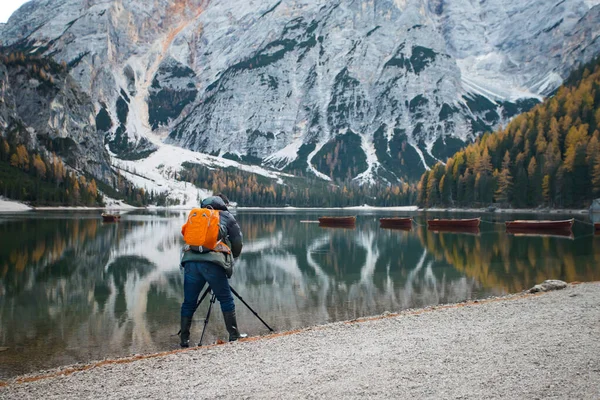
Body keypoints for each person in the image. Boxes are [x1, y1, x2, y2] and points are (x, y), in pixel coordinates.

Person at [179, 194, 244, 347]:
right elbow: (238, 242)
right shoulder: (226, 216)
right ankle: (234, 335)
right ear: (223, 203)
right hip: (213, 264)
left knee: (189, 302)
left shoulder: (198, 215)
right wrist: (229, 258)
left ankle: (184, 340)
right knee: (226, 299)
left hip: (190, 262)